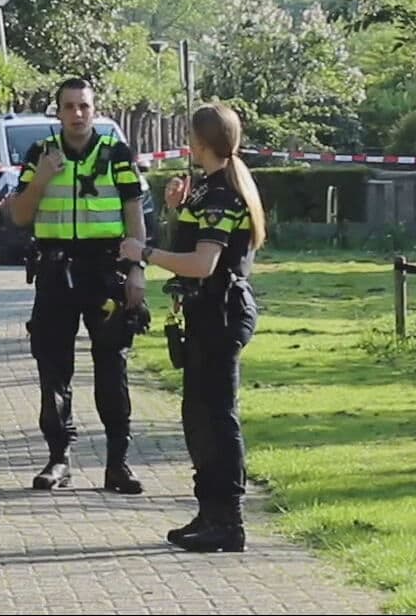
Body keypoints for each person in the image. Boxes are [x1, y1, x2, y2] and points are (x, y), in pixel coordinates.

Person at [118, 102, 264, 553]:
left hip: (221, 314)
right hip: (203, 314)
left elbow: (203, 263)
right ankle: (209, 511)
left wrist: (142, 253)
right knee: (198, 417)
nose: (187, 144)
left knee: (218, 418)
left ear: (202, 141)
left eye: (190, 136)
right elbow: (184, 246)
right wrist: (174, 209)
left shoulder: (223, 194)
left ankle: (229, 520)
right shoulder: (205, 190)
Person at [8, 77, 150, 494]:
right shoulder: (42, 153)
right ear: (58, 111)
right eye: (69, 107)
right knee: (53, 368)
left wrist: (137, 267)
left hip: (105, 271)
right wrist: (40, 181)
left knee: (112, 366)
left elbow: (134, 212)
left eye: (84, 106)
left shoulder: (115, 154)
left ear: (95, 109)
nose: (77, 114)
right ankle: (58, 459)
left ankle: (117, 463)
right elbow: (18, 216)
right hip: (55, 271)